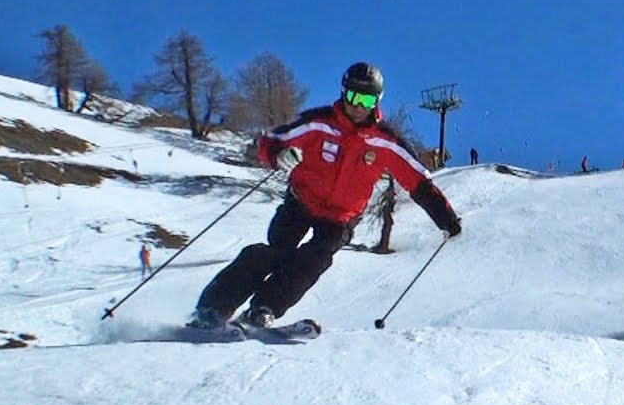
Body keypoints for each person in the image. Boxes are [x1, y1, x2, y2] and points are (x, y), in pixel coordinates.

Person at [189, 62, 462, 329]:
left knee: (314, 260)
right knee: (275, 253)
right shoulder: (318, 123)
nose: (357, 105)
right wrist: (277, 155)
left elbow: (419, 181)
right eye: (353, 96)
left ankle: (264, 308)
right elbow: (271, 141)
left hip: (340, 218)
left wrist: (446, 218)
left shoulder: (385, 142)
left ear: (376, 101)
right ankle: (214, 306)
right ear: (343, 93)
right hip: (301, 202)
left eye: (366, 99)